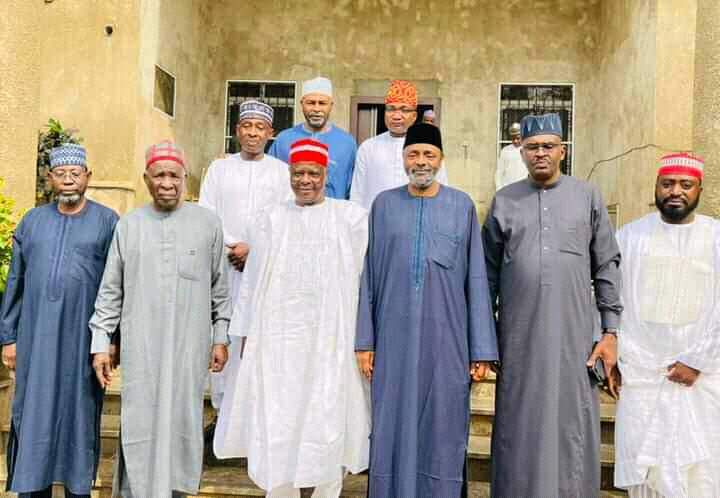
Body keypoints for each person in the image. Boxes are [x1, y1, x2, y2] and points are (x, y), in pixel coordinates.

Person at [214, 138, 370, 498]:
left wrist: (363, 336)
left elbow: (365, 280)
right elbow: (252, 281)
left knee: (326, 415)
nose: (305, 181)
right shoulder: (270, 218)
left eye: (312, 173)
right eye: (298, 173)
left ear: (325, 174)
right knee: (280, 416)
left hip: (331, 339)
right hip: (279, 341)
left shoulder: (349, 217)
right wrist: (245, 333)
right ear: (289, 174)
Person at [482, 113, 623, 498]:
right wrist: (484, 339)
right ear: (520, 151)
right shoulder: (504, 201)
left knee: (570, 424)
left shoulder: (587, 195)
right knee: (519, 423)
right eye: (532, 148)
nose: (540, 154)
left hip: (573, 336)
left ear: (563, 150)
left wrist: (610, 331)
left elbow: (606, 264)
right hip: (518, 338)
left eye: (548, 146)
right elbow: (486, 277)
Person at [355, 123, 498, 498]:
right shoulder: (383, 206)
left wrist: (480, 348)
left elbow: (477, 279)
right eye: (414, 154)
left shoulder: (461, 205)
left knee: (443, 426)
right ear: (403, 159)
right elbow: (369, 277)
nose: (421, 161)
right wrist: (364, 341)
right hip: (392, 339)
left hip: (446, 343)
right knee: (391, 425)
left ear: (441, 159)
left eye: (429, 154)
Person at [89, 141, 231, 498]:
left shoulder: (208, 223)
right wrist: (100, 344)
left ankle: (179, 491)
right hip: (142, 349)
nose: (167, 183)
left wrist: (220, 336)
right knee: (140, 421)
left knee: (183, 422)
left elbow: (220, 288)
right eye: (159, 176)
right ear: (146, 179)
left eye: (174, 175)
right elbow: (110, 291)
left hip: (189, 348)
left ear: (185, 178)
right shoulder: (129, 225)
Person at [0, 144, 118, 498]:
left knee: (78, 419)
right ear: (50, 178)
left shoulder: (108, 221)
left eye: (75, 173)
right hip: (35, 340)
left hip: (84, 344)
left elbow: (117, 286)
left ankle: (78, 489)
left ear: (88, 177)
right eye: (61, 174)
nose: (69, 180)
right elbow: (16, 283)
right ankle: (31, 489)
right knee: (32, 415)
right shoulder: (32, 221)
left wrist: (111, 340)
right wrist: (8, 337)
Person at [614, 153, 720, 498]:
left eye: (685, 185)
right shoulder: (628, 237)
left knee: (702, 475)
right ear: (656, 187)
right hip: (643, 376)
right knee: (646, 476)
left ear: (699, 189)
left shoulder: (716, 237)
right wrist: (620, 354)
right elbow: (611, 300)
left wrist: (697, 360)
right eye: (668, 183)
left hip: (703, 380)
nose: (676, 191)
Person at [199, 99, 291, 409]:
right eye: (247, 126)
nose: (253, 133)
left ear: (270, 133)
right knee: (223, 332)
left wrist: (255, 250)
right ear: (237, 130)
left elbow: (286, 219)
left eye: (260, 127)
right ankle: (221, 412)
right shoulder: (219, 168)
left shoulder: (281, 173)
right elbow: (207, 213)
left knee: (256, 334)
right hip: (224, 266)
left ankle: (253, 413)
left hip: (263, 267)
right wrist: (233, 246)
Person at [349, 80, 448, 210]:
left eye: (404, 110)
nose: (396, 116)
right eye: (391, 109)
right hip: (375, 225)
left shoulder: (427, 147)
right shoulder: (368, 148)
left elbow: (441, 189)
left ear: (414, 116)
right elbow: (357, 195)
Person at [269, 77, 357, 199]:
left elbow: (353, 187)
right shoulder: (283, 140)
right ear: (302, 104)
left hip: (333, 215)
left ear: (331, 105)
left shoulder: (347, 143)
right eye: (310, 103)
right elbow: (271, 181)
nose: (316, 109)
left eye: (322, 103)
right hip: (291, 213)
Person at [494, 122, 526, 190]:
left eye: (518, 138)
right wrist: (499, 189)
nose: (515, 141)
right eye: (513, 138)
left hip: (524, 189)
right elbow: (499, 172)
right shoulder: (505, 151)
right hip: (508, 189)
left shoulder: (527, 149)